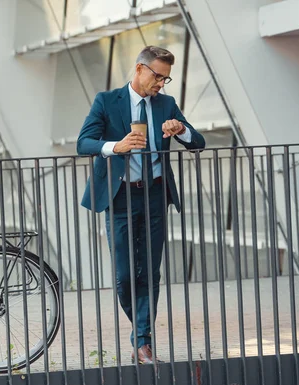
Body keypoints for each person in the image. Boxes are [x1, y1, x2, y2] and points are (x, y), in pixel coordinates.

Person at [77, 46, 206, 364]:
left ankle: (143, 342)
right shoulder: (107, 101)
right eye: (157, 75)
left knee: (150, 272)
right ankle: (142, 332)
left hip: (155, 194)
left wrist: (181, 130)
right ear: (139, 69)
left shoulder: (167, 104)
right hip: (120, 197)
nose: (161, 83)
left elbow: (198, 142)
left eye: (166, 78)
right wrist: (115, 146)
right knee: (124, 276)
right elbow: (84, 142)